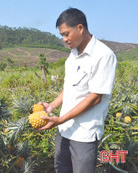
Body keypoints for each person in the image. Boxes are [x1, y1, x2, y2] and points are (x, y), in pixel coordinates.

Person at [38, 8, 117, 173]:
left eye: (66, 34)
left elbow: (96, 97)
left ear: (80, 28)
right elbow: (69, 88)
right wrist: (52, 106)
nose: (64, 39)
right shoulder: (72, 55)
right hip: (65, 130)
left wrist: (62, 118)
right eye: (62, 36)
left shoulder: (103, 55)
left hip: (84, 133)